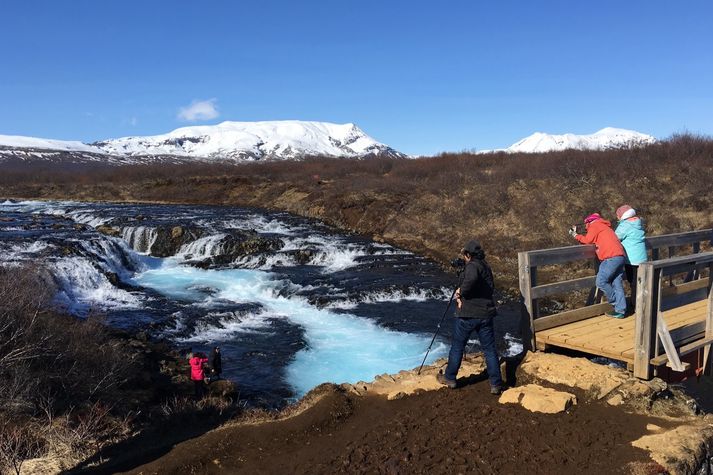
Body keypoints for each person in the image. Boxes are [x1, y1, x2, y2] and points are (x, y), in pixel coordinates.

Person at [436, 239, 504, 394]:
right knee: (489, 349)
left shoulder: (472, 266)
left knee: (458, 346)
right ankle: (495, 384)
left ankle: (450, 378)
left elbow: (471, 279)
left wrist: (461, 293)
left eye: (464, 255)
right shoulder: (485, 266)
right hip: (486, 313)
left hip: (468, 315)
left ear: (468, 254)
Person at [569, 213, 627, 318]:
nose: (586, 227)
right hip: (620, 256)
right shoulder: (604, 226)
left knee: (601, 281)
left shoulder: (595, 225)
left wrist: (575, 235)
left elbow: (587, 240)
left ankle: (615, 302)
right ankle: (621, 311)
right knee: (616, 283)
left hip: (610, 258)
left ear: (589, 222)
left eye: (586, 224)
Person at [614, 205, 647, 306]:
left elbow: (615, 237)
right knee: (640, 283)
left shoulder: (625, 225)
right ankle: (642, 305)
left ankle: (636, 307)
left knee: (633, 283)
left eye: (618, 216)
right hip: (642, 258)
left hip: (632, 259)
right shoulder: (638, 222)